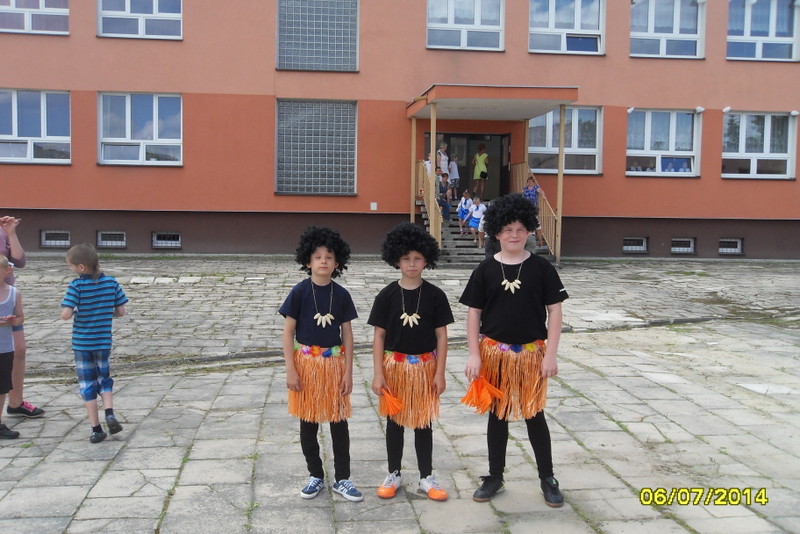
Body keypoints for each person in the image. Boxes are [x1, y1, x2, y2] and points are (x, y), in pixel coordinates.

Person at [459, 193, 569, 507]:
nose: (514, 235)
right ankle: (495, 476)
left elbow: (555, 310)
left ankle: (547, 478)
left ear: (530, 230)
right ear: (496, 232)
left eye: (521, 229)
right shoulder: (485, 270)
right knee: (498, 414)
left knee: (534, 414)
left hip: (532, 354)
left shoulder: (542, 268)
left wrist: (551, 354)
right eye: (508, 229)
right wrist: (474, 354)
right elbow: (474, 314)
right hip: (495, 354)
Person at [369, 222, 453, 501]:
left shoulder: (436, 296)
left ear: (426, 260)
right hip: (395, 368)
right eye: (406, 258)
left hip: (425, 368)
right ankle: (393, 473)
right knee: (394, 421)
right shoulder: (386, 295)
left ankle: (426, 477)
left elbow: (441, 336)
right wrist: (378, 373)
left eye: (417, 258)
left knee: (423, 422)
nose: (412, 264)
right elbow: (379, 336)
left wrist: (440, 373)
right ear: (397, 260)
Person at [279, 226, 363, 503]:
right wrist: (291, 369)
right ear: (308, 261)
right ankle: (315, 474)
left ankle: (343, 478)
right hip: (306, 367)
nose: (323, 261)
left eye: (329, 257)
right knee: (308, 422)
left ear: (338, 263)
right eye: (317, 257)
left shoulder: (342, 295)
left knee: (339, 422)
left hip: (334, 366)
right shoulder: (299, 292)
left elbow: (347, 335)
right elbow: (288, 333)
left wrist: (348, 372)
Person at [60, 243, 128, 444]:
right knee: (104, 378)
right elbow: (121, 311)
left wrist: (73, 311)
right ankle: (109, 412)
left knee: (87, 384)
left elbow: (65, 315)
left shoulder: (76, 286)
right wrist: (106, 313)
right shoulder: (111, 283)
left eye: (71, 266)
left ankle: (96, 429)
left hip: (82, 344)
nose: (71, 269)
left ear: (81, 267)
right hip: (103, 342)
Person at [0, 216, 44, 419]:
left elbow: (19, 261)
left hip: (6, 299)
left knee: (18, 350)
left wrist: (11, 233)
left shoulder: (2, 230)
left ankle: (16, 402)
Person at [0, 255, 23, 439]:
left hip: (5, 348)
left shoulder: (14, 293)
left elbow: (20, 317)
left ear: (7, 271)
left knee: (2, 387)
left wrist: (14, 320)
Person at [522, 176, 546, 248]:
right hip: (526, 208)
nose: (530, 183)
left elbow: (541, 191)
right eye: (528, 182)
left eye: (531, 182)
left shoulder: (536, 188)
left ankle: (539, 240)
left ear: (533, 182)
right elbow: (521, 195)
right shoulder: (525, 189)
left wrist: (544, 196)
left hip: (533, 208)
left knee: (537, 225)